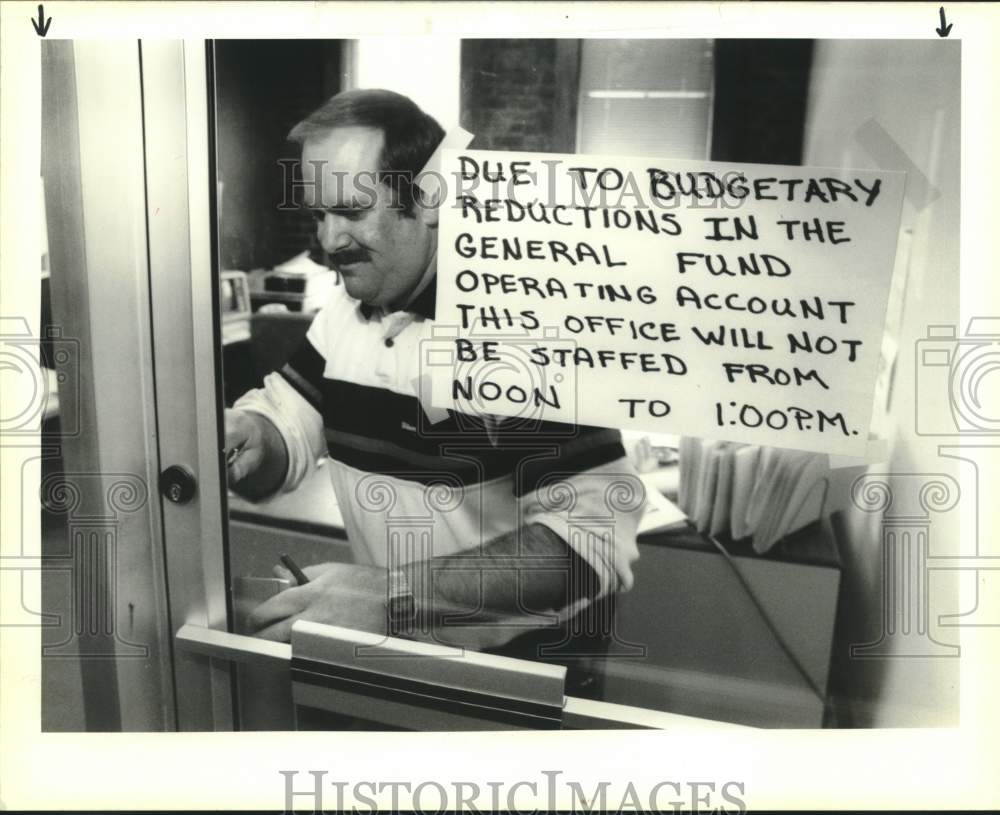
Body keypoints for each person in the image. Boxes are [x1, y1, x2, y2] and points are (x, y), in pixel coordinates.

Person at [225, 88, 643, 658]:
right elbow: (289, 424)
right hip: (394, 644)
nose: (328, 242)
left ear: (427, 200)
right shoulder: (344, 313)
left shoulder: (520, 326)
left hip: (516, 670)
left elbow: (592, 538)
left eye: (351, 210)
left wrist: (392, 596)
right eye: (319, 215)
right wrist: (250, 437)